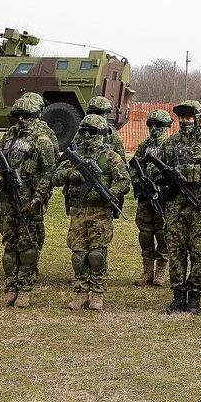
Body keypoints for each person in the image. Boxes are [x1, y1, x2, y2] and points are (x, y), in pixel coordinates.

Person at [0, 93, 58, 308]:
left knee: (28, 247)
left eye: (26, 115)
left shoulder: (43, 139)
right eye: (17, 115)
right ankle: (10, 289)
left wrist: (37, 199)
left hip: (29, 200)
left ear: (35, 115)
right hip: (7, 199)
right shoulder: (9, 136)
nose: (21, 119)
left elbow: (49, 173)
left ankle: (25, 290)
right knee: (9, 246)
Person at [158, 100, 201, 314]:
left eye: (189, 118)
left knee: (198, 254)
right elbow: (156, 172)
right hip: (175, 208)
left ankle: (195, 295)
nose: (185, 121)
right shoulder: (169, 145)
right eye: (182, 118)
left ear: (197, 119)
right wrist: (164, 184)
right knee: (176, 253)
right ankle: (178, 295)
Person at [57, 114, 131, 311]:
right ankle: (81, 293)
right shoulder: (75, 155)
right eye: (84, 131)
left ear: (101, 133)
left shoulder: (110, 157)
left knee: (97, 255)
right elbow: (55, 176)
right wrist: (71, 174)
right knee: (78, 255)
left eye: (93, 131)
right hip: (78, 211)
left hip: (100, 213)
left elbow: (124, 181)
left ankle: (98, 294)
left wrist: (110, 193)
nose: (88, 135)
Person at [129, 108, 174, 287]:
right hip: (145, 197)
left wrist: (164, 185)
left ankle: (161, 270)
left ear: (166, 126)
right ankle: (147, 271)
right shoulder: (143, 146)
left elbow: (174, 171)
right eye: (151, 125)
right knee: (145, 234)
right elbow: (133, 167)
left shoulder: (170, 147)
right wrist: (138, 182)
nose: (154, 129)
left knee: (162, 233)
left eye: (159, 125)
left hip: (163, 197)